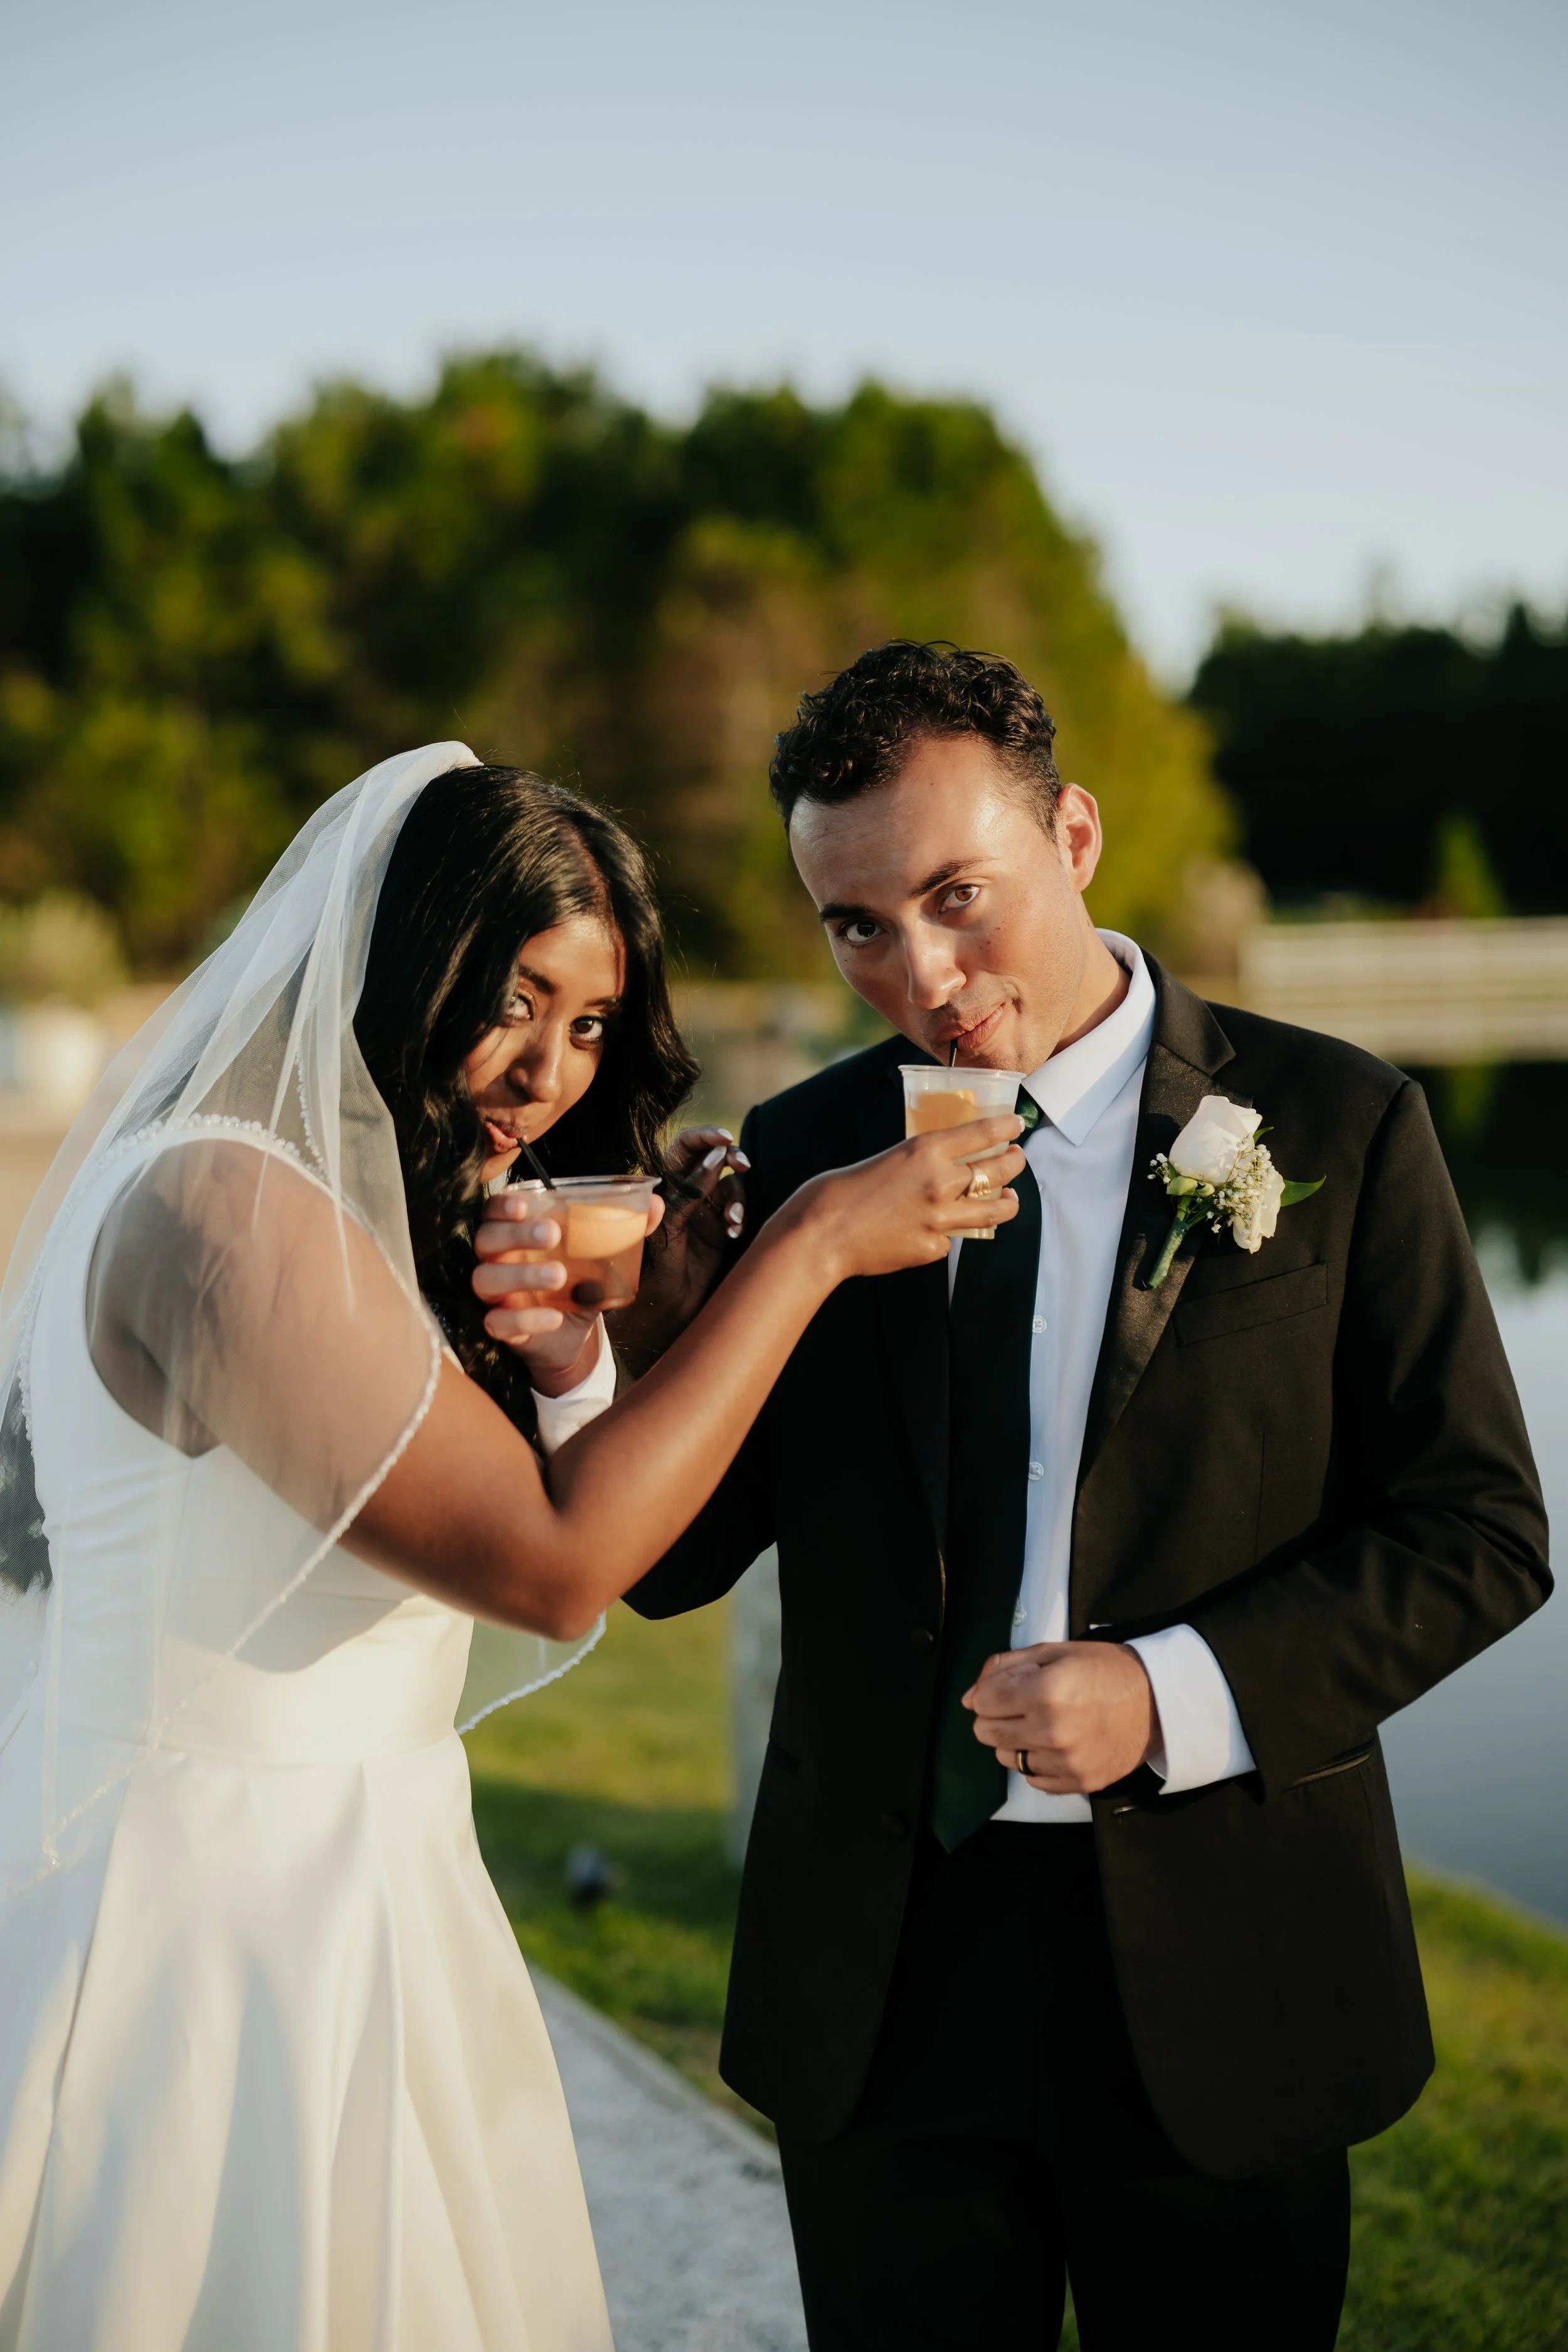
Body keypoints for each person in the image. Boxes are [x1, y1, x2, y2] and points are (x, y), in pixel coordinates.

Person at [490, 644, 1550, 2351]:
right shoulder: (805, 1144)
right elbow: (677, 1561)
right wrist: (594, 1360)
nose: (917, 969)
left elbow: (1477, 1532)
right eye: (855, 925)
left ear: (1072, 833)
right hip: (883, 1975)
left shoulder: (1339, 1125)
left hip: (1226, 1964)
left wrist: (1167, 1688)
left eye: (954, 894)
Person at [0, 742, 1023, 2352]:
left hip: (372, 1863)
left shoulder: (334, 1204)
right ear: (409, 952)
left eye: (592, 1022)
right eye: (515, 996)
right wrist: (814, 1245)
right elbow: (554, 1566)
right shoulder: (226, 1211)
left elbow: (503, 1483)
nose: (549, 1069)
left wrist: (605, 1349)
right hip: (220, 1924)